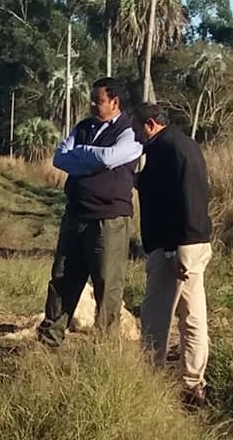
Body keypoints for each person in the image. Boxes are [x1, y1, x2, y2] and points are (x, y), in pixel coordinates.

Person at [37, 77, 142, 346]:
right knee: (62, 278)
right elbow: (60, 158)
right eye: (93, 100)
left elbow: (110, 158)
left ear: (115, 102)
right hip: (75, 216)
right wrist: (91, 160)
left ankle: (105, 346)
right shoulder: (83, 126)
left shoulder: (130, 131)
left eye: (99, 100)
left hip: (108, 220)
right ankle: (50, 338)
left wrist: (80, 156)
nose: (94, 105)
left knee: (107, 284)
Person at [132, 103, 212, 407]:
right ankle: (193, 386)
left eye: (137, 129)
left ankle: (151, 380)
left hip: (176, 246)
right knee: (192, 316)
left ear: (150, 124)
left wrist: (180, 248)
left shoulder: (169, 148)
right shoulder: (179, 144)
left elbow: (189, 196)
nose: (136, 136)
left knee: (155, 314)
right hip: (188, 242)